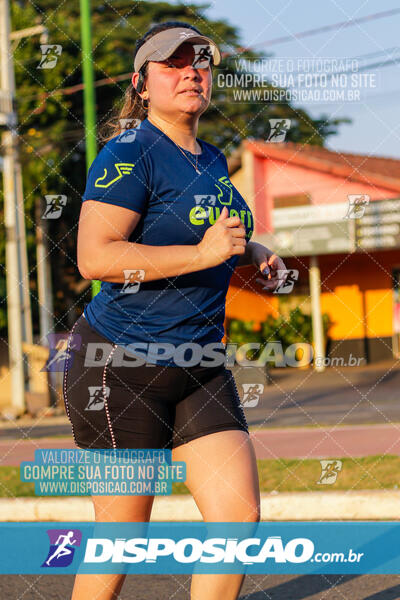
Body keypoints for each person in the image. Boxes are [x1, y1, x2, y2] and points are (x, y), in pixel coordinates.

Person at [64, 20, 287, 600]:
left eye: (201, 61)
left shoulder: (211, 159)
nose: (191, 71)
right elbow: (95, 257)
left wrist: (253, 255)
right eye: (172, 63)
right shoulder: (130, 152)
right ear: (142, 84)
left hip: (198, 363)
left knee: (236, 521)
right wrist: (204, 252)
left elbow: (217, 241)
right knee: (121, 537)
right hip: (120, 366)